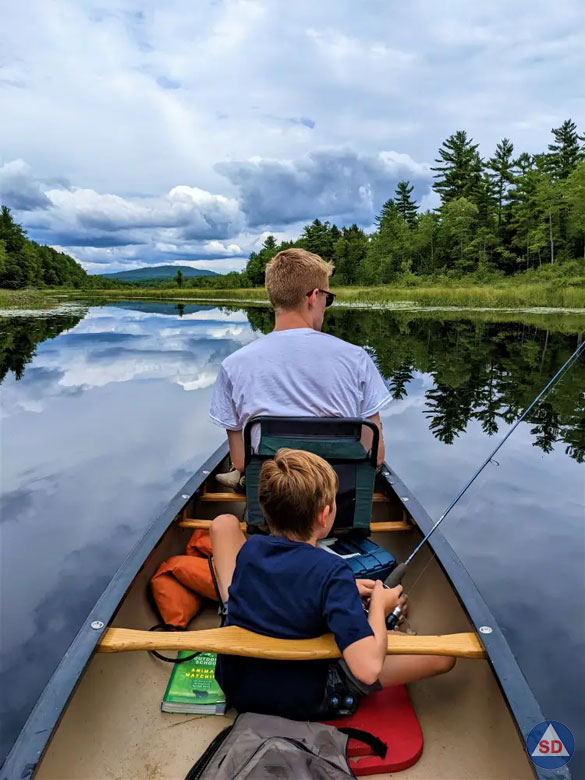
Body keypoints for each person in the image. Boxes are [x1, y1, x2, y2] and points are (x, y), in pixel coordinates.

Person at [211, 448, 455, 720]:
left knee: (224, 529)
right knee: (443, 657)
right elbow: (368, 669)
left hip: (238, 687)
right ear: (324, 516)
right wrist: (378, 606)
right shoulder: (333, 571)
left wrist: (343, 591)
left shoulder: (252, 549)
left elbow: (294, 583)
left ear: (265, 509)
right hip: (305, 697)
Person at [209, 248, 391, 486]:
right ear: (314, 296)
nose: (326, 304)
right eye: (328, 298)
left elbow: (242, 462)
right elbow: (375, 456)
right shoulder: (356, 358)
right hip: (341, 503)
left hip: (272, 504)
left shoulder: (233, 366)